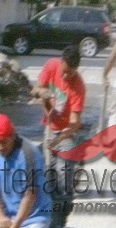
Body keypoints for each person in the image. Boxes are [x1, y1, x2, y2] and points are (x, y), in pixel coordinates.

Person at [30, 45, 86, 199]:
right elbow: (35, 90)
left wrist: (58, 140)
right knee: (47, 168)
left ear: (77, 69)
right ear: (61, 62)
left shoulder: (78, 87)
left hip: (66, 133)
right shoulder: (51, 66)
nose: (67, 76)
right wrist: (42, 93)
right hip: (50, 125)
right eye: (65, 71)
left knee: (63, 169)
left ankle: (65, 201)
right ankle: (48, 199)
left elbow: (74, 122)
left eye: (71, 73)